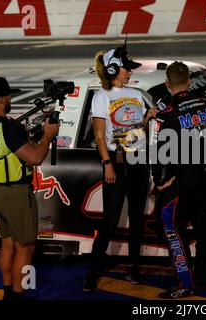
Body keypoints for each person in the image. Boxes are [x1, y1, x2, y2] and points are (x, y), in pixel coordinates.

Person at [151, 61, 206, 299]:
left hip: (182, 181)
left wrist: (160, 181)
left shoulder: (168, 115)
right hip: (205, 175)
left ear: (167, 84)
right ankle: (204, 278)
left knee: (172, 227)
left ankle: (185, 282)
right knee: (203, 227)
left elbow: (160, 154)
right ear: (190, 82)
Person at [0, 77, 59, 300]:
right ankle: (18, 295)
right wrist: (48, 135)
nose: (10, 99)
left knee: (7, 245)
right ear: (3, 99)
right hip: (16, 193)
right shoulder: (10, 128)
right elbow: (35, 158)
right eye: (9, 96)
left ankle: (8, 292)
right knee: (26, 248)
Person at [83, 46, 153, 292]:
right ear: (114, 69)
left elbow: (139, 125)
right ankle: (93, 271)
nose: (129, 73)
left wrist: (148, 117)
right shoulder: (101, 96)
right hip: (117, 161)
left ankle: (133, 268)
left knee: (136, 219)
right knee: (110, 221)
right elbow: (100, 137)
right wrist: (107, 164)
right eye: (126, 69)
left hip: (139, 161)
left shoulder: (135, 93)